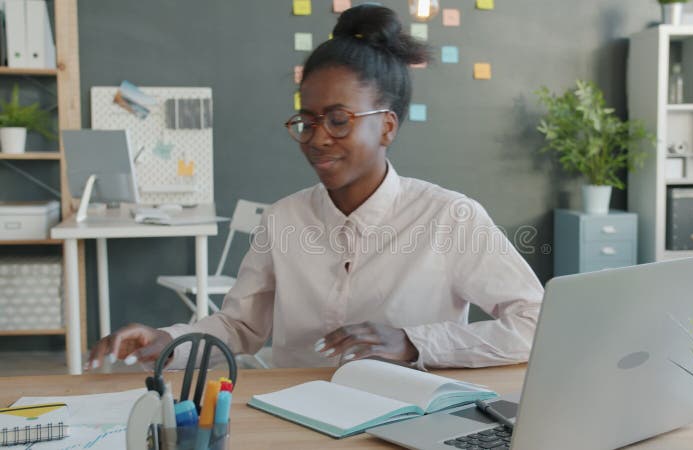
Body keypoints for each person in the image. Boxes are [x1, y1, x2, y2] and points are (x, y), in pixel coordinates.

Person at [87, 4, 544, 371]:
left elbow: (535, 322)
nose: (318, 137)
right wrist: (169, 340)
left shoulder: (449, 217)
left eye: (339, 120)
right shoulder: (284, 219)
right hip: (290, 415)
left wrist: (413, 343)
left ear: (386, 126)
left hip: (404, 418)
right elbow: (239, 326)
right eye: (307, 120)